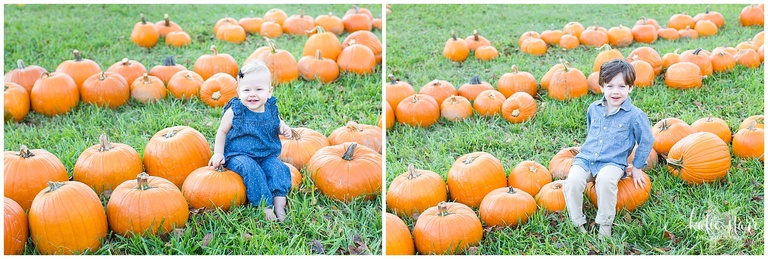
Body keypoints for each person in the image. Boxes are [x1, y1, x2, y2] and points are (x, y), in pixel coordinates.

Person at [562, 58, 654, 239]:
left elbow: (647, 140)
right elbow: (591, 132)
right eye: (610, 86)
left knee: (605, 181)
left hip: (613, 162)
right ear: (602, 87)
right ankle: (577, 222)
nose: (615, 91)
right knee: (572, 182)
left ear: (630, 88)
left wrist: (636, 167)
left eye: (622, 86)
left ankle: (604, 225)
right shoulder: (593, 109)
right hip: (587, 158)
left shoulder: (635, 116)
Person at [209, 60, 293, 222]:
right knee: (251, 170)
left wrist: (283, 127)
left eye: (258, 89)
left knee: (278, 169)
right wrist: (218, 153)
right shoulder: (236, 111)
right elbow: (222, 131)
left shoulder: (270, 108)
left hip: (267, 155)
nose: (252, 94)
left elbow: (277, 122)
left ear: (269, 92)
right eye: (246, 90)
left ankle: (279, 205)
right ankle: (265, 207)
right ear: (239, 92)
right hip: (239, 155)